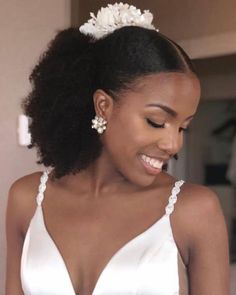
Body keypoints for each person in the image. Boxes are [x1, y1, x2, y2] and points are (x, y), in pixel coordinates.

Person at [5, 3, 229, 295]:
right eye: (156, 121)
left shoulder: (194, 210)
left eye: (183, 127)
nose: (173, 144)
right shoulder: (26, 199)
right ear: (104, 106)